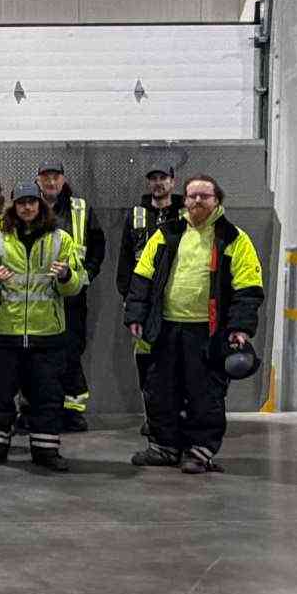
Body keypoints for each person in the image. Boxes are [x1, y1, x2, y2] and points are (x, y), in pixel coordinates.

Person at [124, 174, 264, 475]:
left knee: (205, 394)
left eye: (204, 196)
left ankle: (200, 451)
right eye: (192, 196)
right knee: (160, 390)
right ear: (184, 200)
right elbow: (142, 277)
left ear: (217, 201)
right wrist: (135, 315)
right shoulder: (166, 234)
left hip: (208, 333)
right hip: (165, 328)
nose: (197, 201)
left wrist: (240, 327)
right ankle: (164, 447)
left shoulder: (234, 239)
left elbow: (248, 288)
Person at [0, 187, 85, 471]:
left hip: (47, 334)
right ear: (13, 206)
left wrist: (66, 275)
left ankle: (46, 450)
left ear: (40, 205)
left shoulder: (61, 239)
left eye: (32, 202)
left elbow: (76, 285)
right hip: (4, 332)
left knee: (47, 396)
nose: (27, 208)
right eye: (21, 203)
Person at [35, 159, 105, 431]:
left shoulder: (80, 209)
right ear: (38, 180)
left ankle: (72, 410)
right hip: (37, 296)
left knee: (71, 351)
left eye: (56, 176)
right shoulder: (28, 206)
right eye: (46, 177)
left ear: (63, 179)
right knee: (37, 354)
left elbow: (97, 245)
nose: (51, 181)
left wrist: (86, 275)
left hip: (72, 296)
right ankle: (36, 408)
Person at [116, 163, 183, 426]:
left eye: (163, 177)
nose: (158, 182)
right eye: (153, 178)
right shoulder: (136, 215)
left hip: (177, 299)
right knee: (147, 360)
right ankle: (152, 417)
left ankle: (177, 415)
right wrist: (129, 299)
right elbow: (125, 260)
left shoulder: (186, 213)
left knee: (178, 360)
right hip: (144, 302)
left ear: (173, 181)